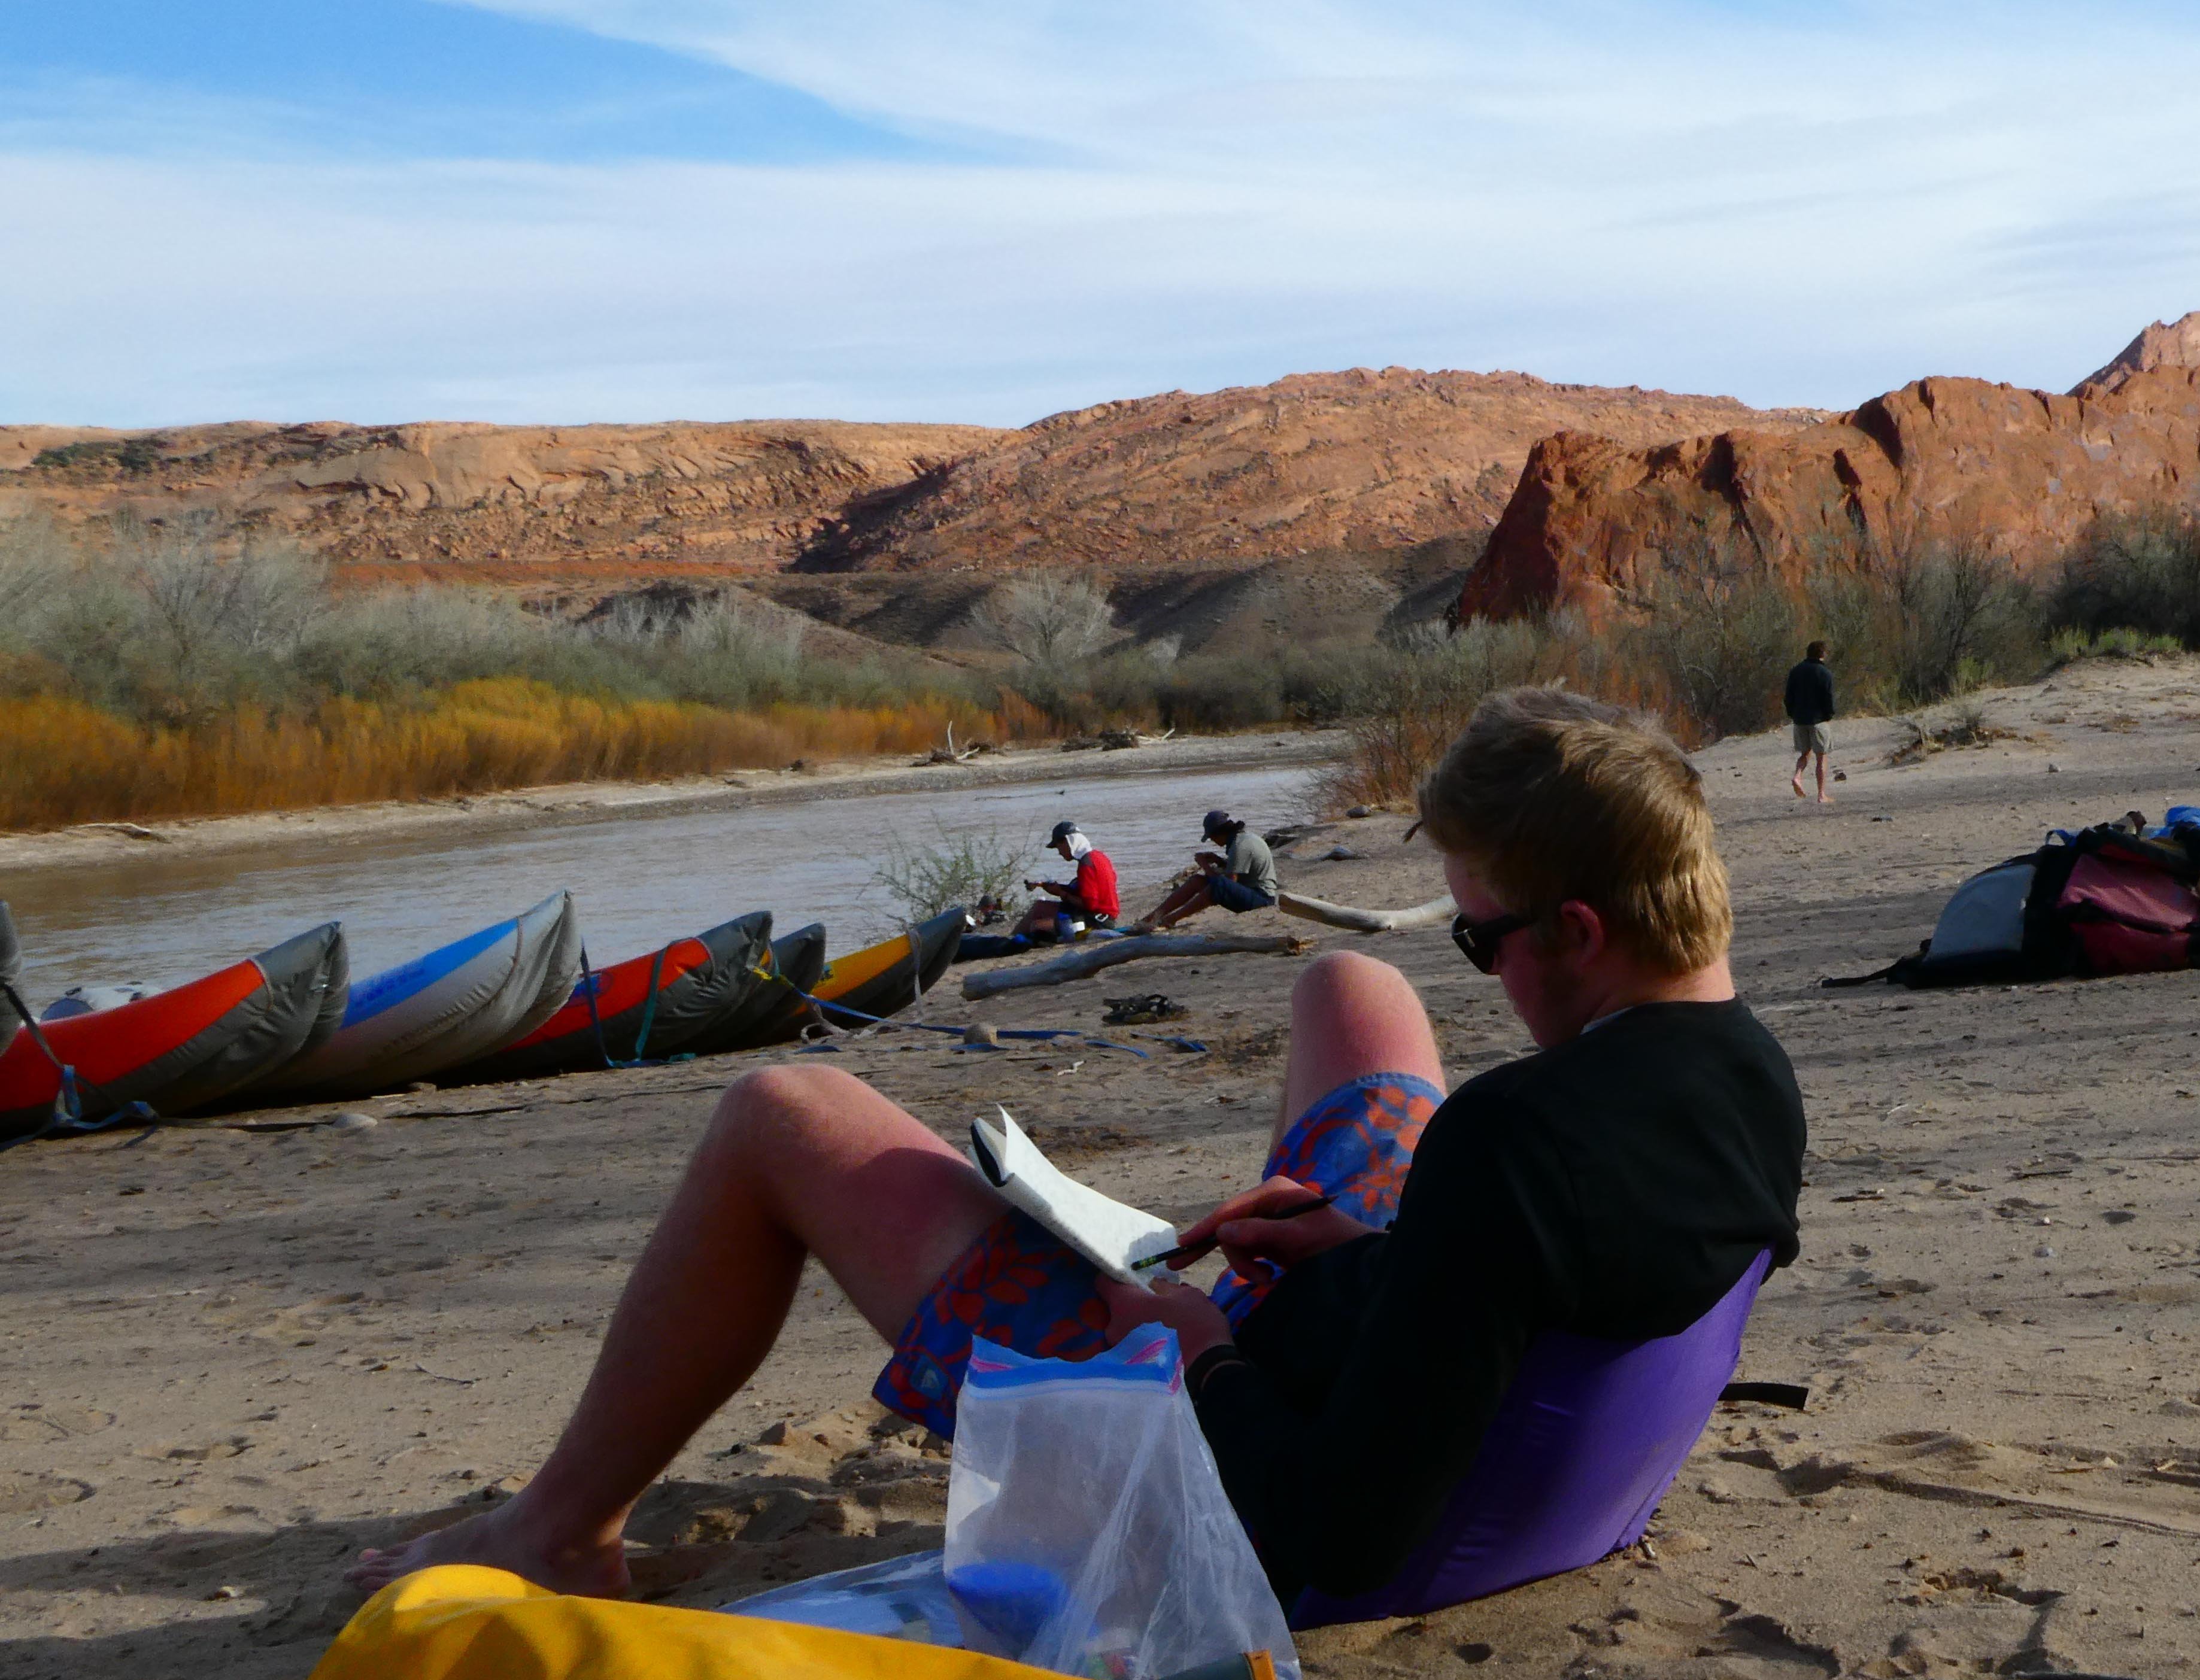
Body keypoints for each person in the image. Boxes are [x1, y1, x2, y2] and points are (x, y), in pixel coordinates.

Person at [357, 690, 1804, 1608]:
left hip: (1269, 1508)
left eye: (1480, 934)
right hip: (1470, 1429)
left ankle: (558, 1530)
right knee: (1352, 985)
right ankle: (1267, 1275)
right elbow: (1523, 1279)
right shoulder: (1745, 1075)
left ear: (1579, 933)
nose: (1479, 963)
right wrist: (1372, 1259)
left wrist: (1191, 1348)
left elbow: (1328, 1538)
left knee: (780, 1117)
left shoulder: (1510, 1140)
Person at [1136, 809, 1280, 932]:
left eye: (1212, 837)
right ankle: (1155, 916)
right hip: (1252, 892)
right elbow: (1241, 872)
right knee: (1197, 881)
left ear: (1219, 833)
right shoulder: (1243, 839)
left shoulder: (1240, 846)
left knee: (1216, 887)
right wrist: (1220, 862)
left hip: (1263, 899)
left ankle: (1172, 919)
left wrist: (1205, 865)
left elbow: (1227, 885)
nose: (1212, 841)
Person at [1007, 820, 1121, 944]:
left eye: (1059, 847)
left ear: (1068, 842)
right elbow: (1088, 891)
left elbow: (1090, 905)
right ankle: (1011, 939)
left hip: (1097, 921)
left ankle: (1012, 943)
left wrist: (1062, 893)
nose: (1059, 852)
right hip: (1101, 915)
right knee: (1040, 906)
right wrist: (1055, 889)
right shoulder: (1098, 857)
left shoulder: (1086, 865)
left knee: (1036, 926)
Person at [1785, 640, 1837, 803]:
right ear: (1823, 654)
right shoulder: (1825, 673)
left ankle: (1797, 776)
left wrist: (1792, 714)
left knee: (1805, 753)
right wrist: (1829, 715)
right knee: (1821, 756)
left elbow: (1788, 697)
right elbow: (1828, 698)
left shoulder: (1796, 671)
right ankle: (1821, 794)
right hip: (1818, 720)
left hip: (1799, 719)